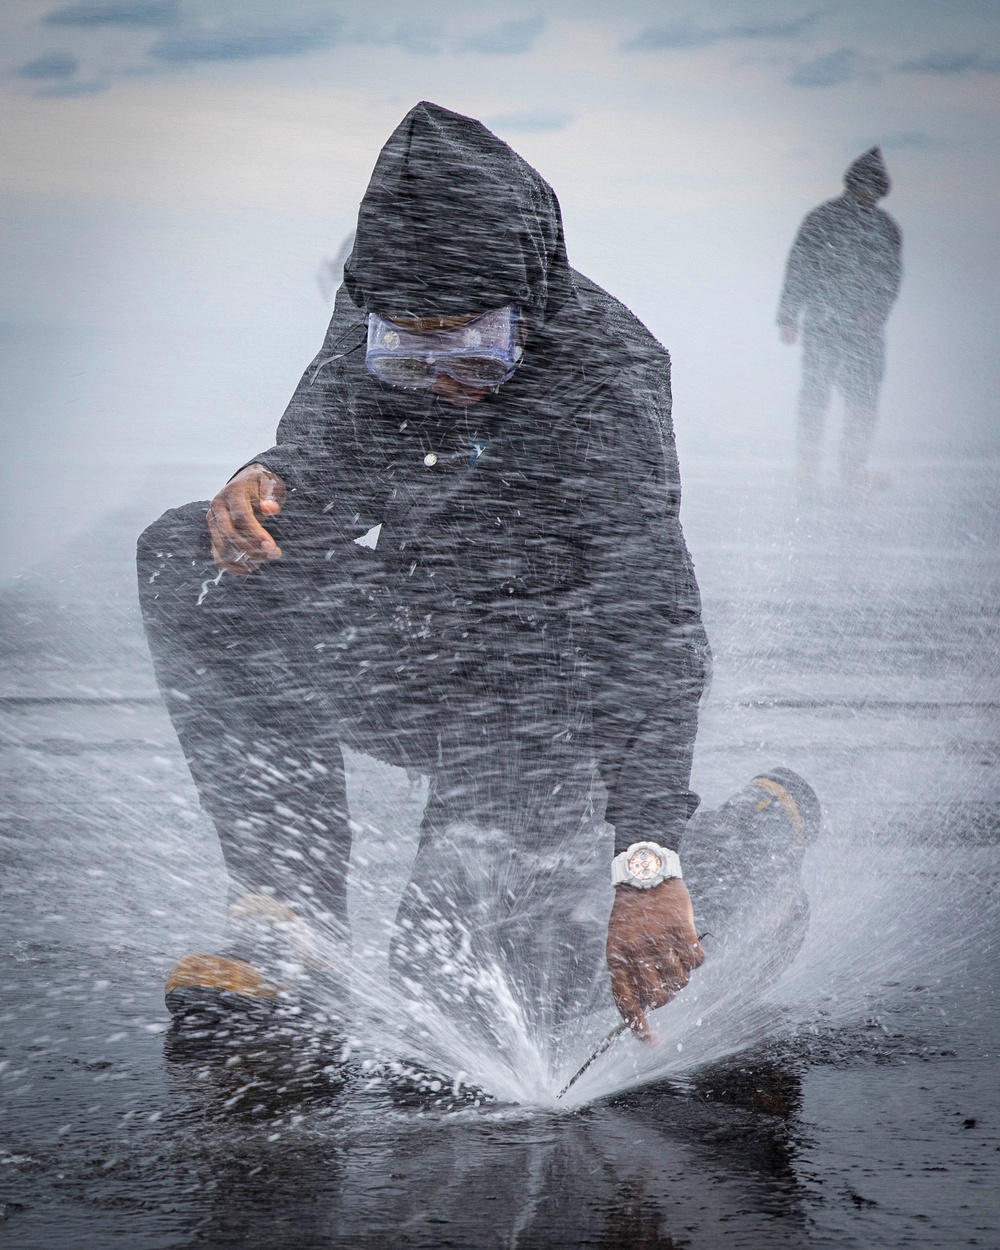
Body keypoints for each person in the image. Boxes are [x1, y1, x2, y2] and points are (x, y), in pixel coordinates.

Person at [138, 102, 817, 1059]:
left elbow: (648, 618)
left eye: (474, 347)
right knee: (187, 552)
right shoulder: (379, 304)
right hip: (420, 649)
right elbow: (329, 465)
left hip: (545, 699)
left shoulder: (608, 377)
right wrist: (270, 482)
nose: (443, 373)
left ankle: (746, 840)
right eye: (411, 349)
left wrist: (646, 858)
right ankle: (289, 915)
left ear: (526, 305)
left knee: (458, 1000)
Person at [778, 146, 903, 487]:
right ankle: (807, 464)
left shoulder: (885, 228)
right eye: (864, 184)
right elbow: (799, 267)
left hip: (865, 332)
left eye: (874, 186)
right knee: (816, 395)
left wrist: (874, 313)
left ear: (881, 188)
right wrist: (788, 316)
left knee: (863, 400)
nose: (868, 192)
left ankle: (852, 468)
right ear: (852, 183)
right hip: (824, 324)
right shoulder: (822, 219)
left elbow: (890, 278)